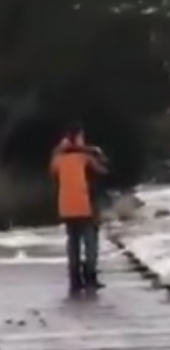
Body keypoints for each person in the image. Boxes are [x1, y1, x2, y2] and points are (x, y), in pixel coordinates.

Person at [50, 123, 108, 294]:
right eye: (82, 136)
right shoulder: (85, 157)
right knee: (90, 244)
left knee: (72, 244)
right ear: (77, 138)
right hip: (85, 206)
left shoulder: (58, 159)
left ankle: (75, 281)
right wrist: (95, 151)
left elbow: (53, 173)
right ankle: (90, 278)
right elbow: (103, 170)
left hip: (66, 207)